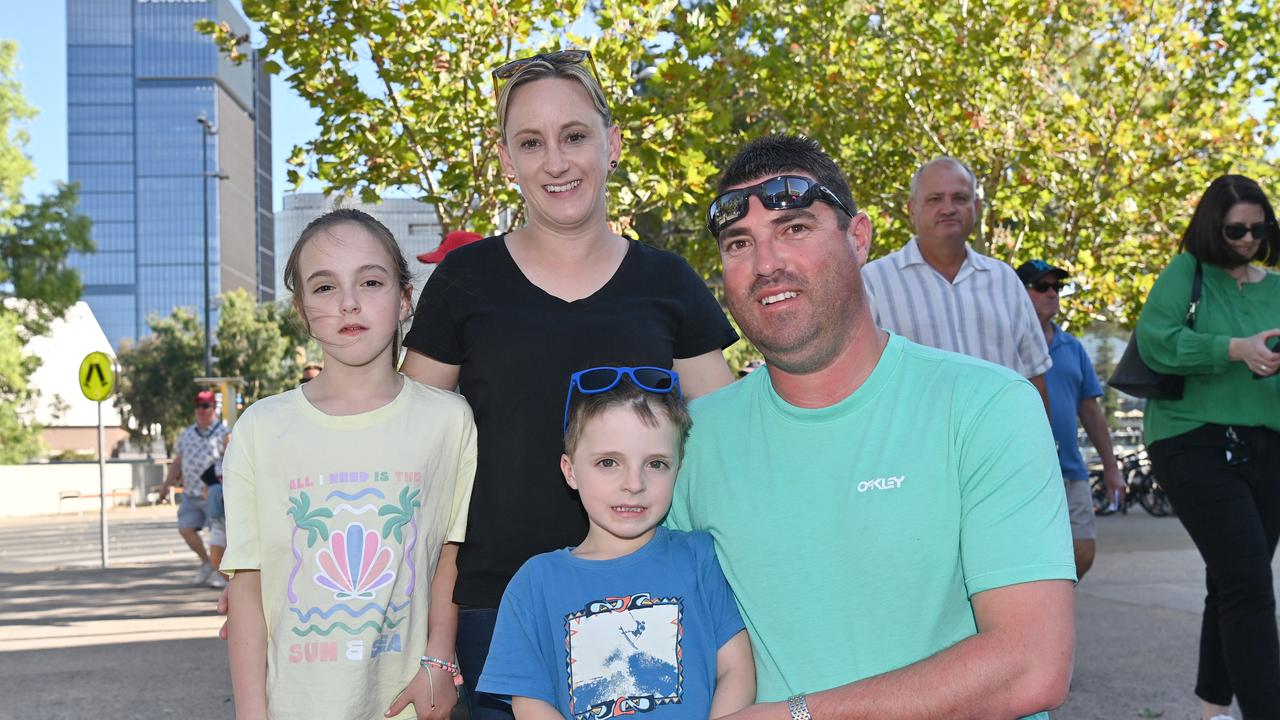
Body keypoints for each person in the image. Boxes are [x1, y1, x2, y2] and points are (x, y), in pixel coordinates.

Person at [668, 135, 1075, 719]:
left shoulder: (988, 406)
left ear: (858, 240)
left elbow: (1032, 662)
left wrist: (796, 716)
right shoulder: (690, 442)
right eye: (739, 243)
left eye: (795, 229)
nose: (766, 264)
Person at [398, 49, 737, 720]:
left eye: (574, 135)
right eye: (531, 142)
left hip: (646, 608)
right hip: (493, 618)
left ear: (610, 143)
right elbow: (407, 465)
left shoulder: (669, 285)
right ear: (506, 159)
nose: (556, 161)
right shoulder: (464, 285)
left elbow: (732, 448)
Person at [221, 209, 478, 720]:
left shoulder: (448, 421)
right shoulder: (260, 429)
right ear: (301, 309)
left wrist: (438, 660)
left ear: (405, 298)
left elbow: (450, 552)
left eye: (371, 280)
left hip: (406, 702)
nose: (349, 302)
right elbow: (246, 589)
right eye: (323, 288)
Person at [478, 368, 754, 719]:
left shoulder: (699, 557)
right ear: (570, 471)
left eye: (656, 463)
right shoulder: (535, 583)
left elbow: (736, 670)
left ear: (678, 470)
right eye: (608, 462)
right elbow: (530, 704)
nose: (634, 483)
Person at [1135, 175, 1280, 720]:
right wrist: (1235, 349)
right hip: (1191, 439)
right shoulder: (1186, 273)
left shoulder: (1278, 286)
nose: (1246, 239)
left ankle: (1211, 709)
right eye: (1234, 229)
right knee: (1248, 583)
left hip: (1269, 443)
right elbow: (1157, 342)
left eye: (1257, 228)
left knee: (1231, 581)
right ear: (1211, 227)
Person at [861, 157, 1052, 411]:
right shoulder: (873, 282)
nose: (948, 208)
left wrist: (1044, 446)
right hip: (918, 447)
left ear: (976, 206)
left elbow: (1034, 375)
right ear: (912, 209)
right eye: (935, 199)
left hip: (1003, 444)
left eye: (960, 198)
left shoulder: (1005, 280)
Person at [1016, 259, 1126, 580]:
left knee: (1083, 550)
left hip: (1071, 469)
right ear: (1017, 292)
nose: (1053, 293)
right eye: (1042, 286)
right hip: (1022, 471)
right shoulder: (1006, 341)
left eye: (1057, 287)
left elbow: (1090, 410)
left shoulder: (1072, 346)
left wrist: (1111, 466)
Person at [157, 389, 231, 586]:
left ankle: (222, 572)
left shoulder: (224, 433)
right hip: (191, 493)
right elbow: (178, 461)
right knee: (185, 528)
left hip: (215, 495)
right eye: (198, 406)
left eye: (205, 405)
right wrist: (166, 486)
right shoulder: (187, 433)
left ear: (214, 408)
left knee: (220, 536)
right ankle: (206, 562)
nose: (201, 410)